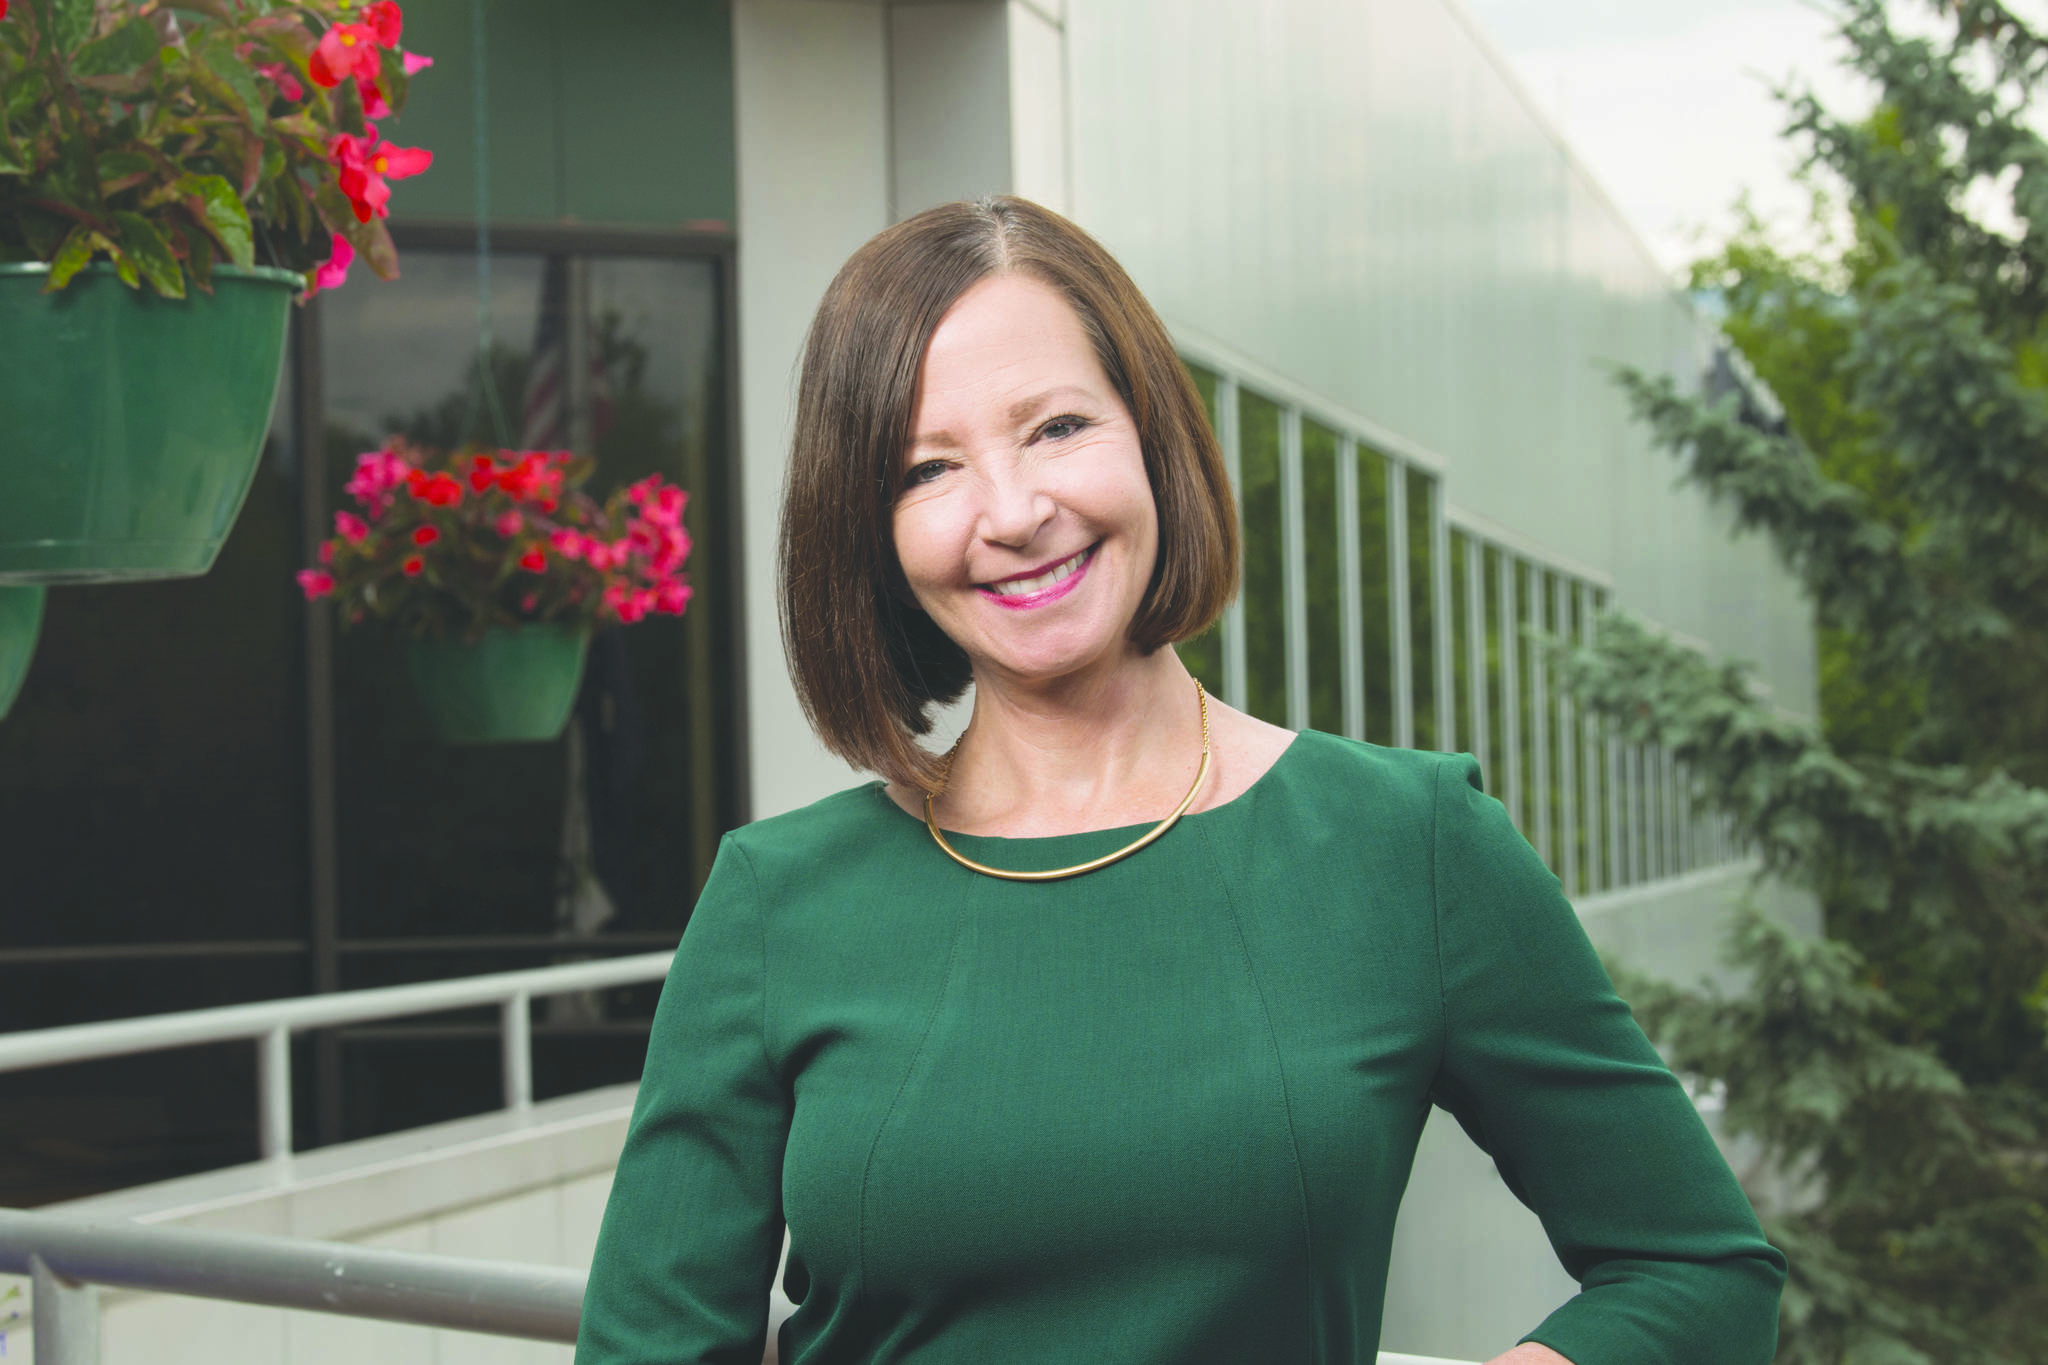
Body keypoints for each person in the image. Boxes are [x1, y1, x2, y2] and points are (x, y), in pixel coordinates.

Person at [574, 196, 1786, 1365]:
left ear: (1152, 435)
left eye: (1055, 428)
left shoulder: (1404, 846)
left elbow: (1694, 1269)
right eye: (925, 470)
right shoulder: (775, 907)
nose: (1012, 511)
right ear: (871, 537)